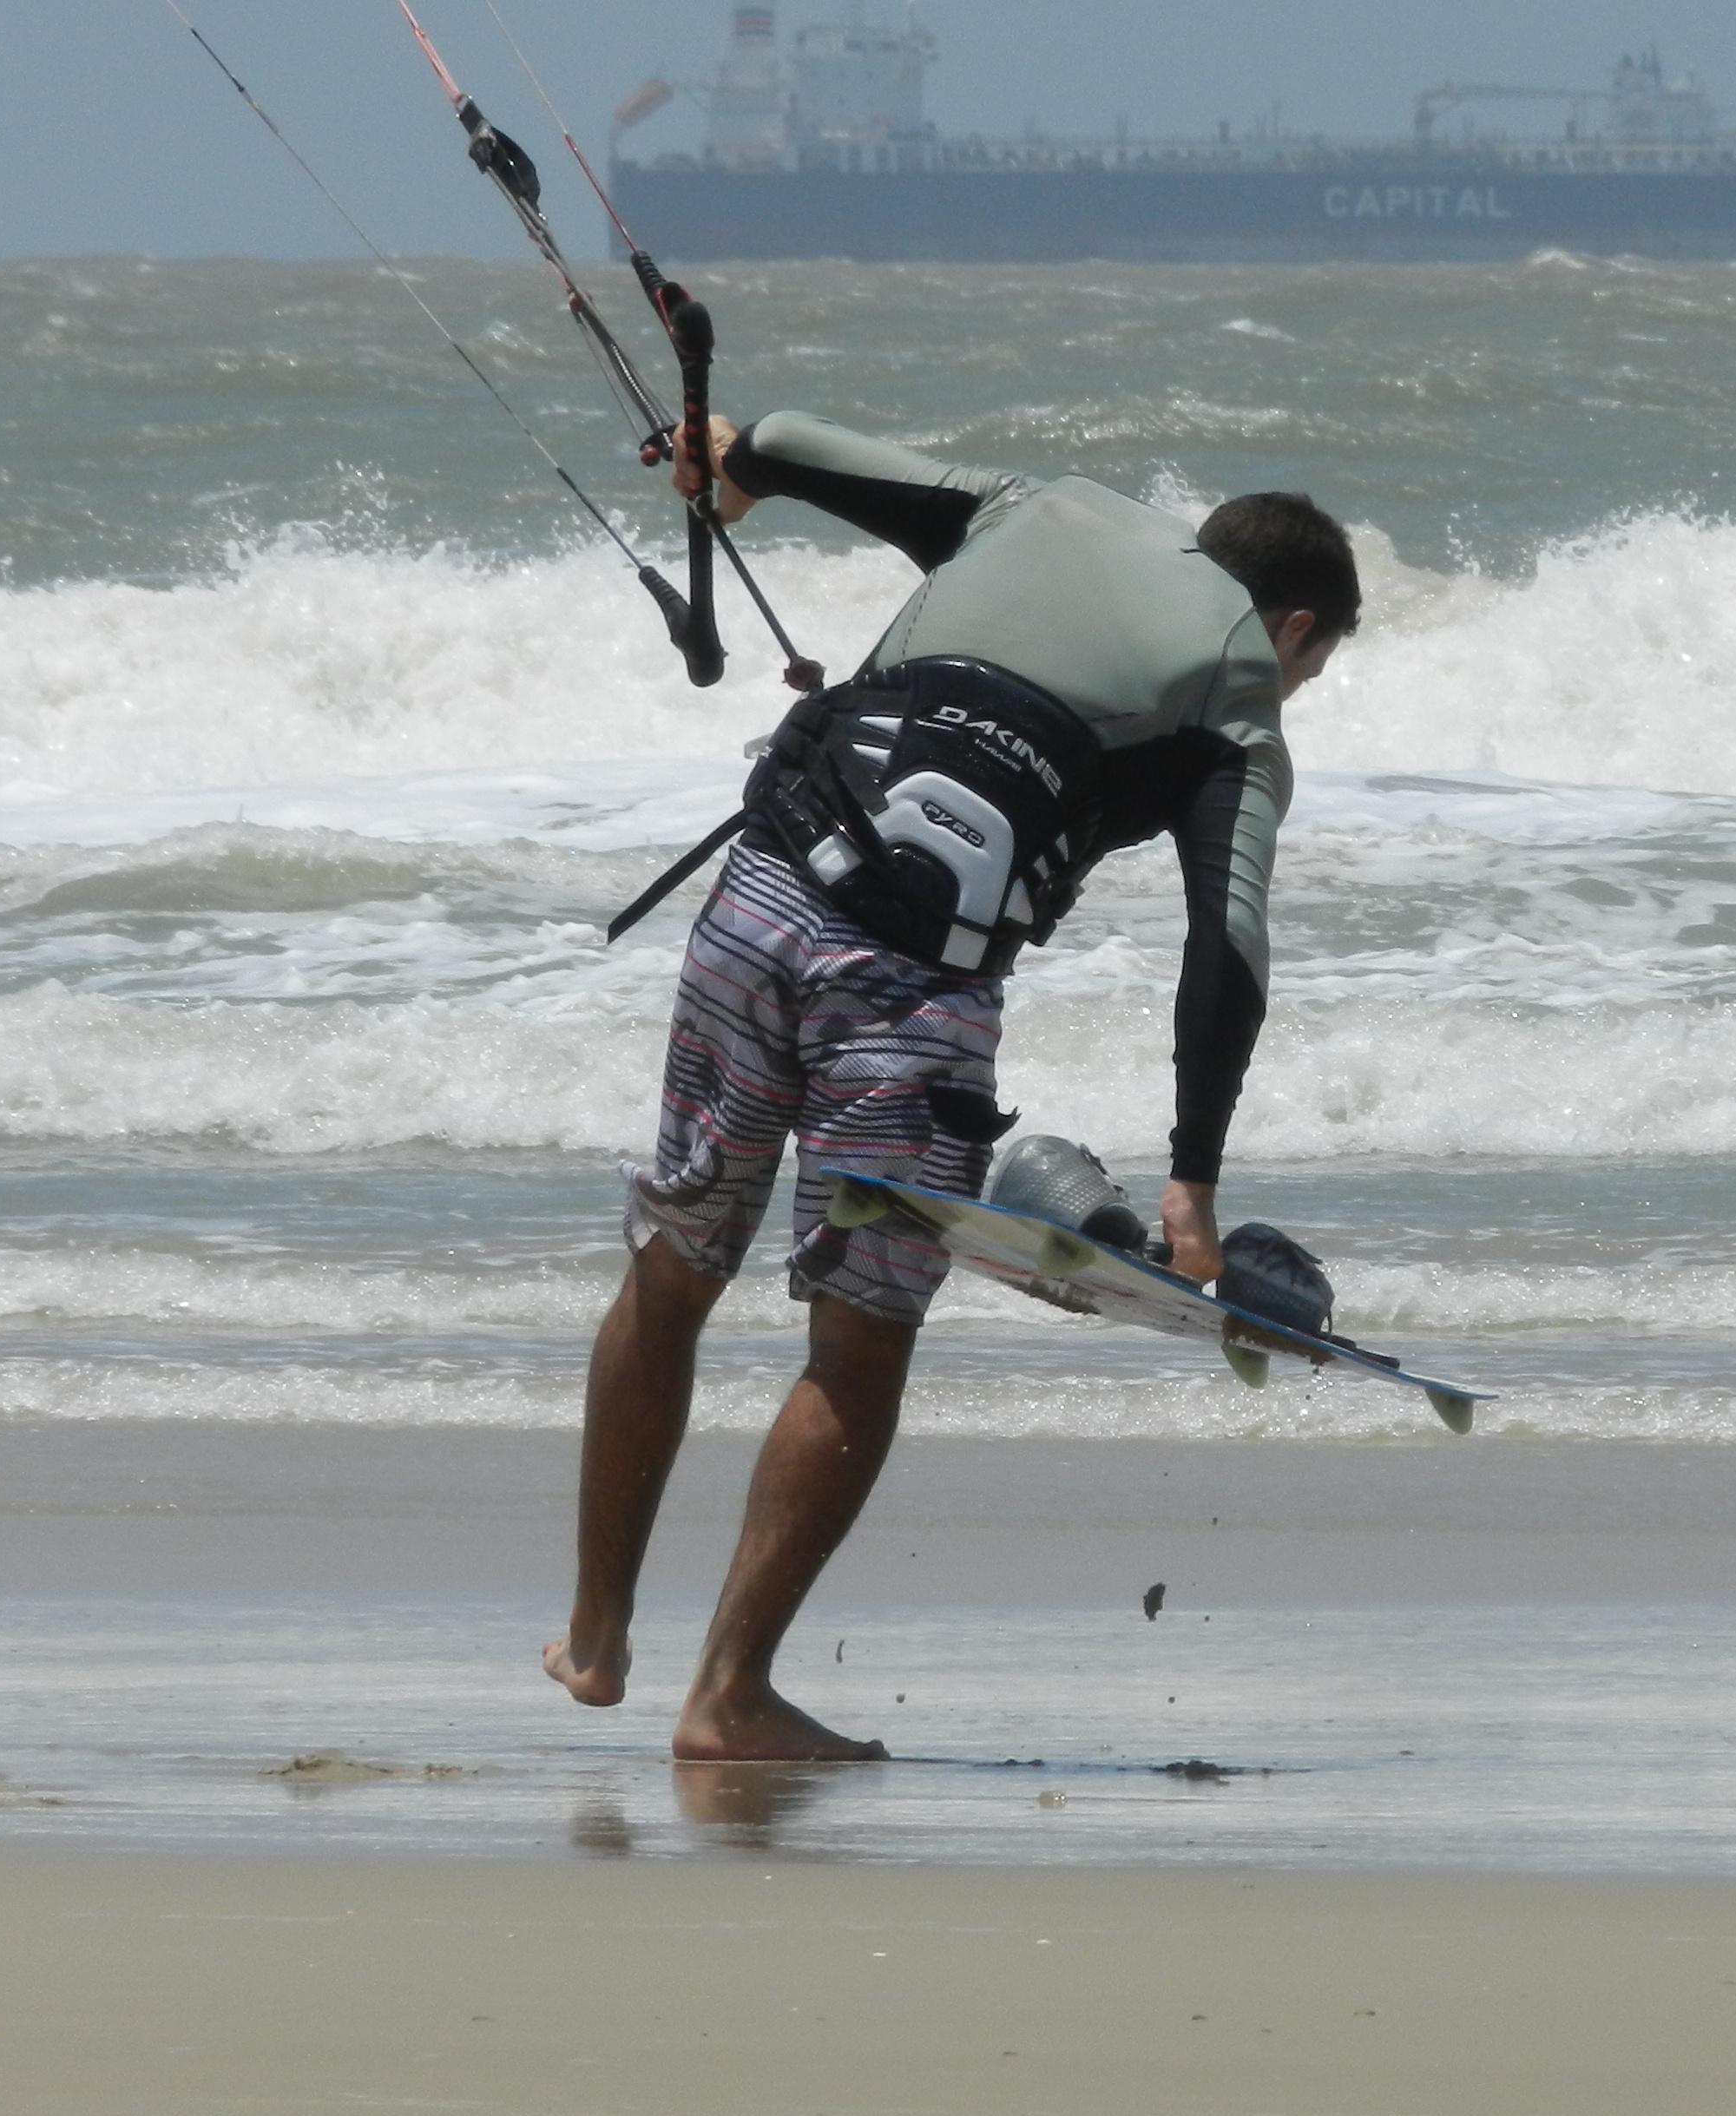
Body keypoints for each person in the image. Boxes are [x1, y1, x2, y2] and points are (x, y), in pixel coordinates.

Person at [540, 411, 1360, 1760]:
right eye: (1310, 667)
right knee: (858, 1345)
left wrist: (728, 459)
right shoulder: (1239, 689)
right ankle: (729, 1697)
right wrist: (1194, 1187)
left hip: (755, 895)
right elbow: (1230, 940)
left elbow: (804, 443)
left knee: (678, 1263)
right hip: (909, 988)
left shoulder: (1038, 502)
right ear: (1292, 628)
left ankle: (594, 1636)